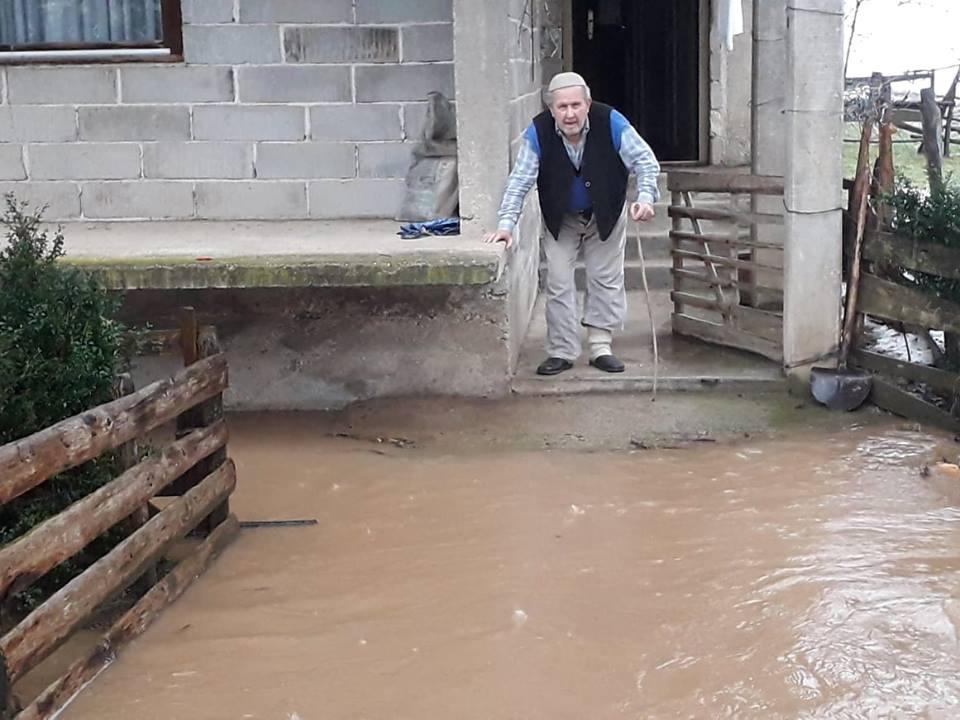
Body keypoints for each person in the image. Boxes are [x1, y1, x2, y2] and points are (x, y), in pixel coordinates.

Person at [484, 72, 660, 376]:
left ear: (587, 104)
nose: (569, 114)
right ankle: (562, 351)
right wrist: (506, 225)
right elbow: (519, 182)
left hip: (605, 210)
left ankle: (601, 346)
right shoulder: (538, 132)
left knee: (605, 277)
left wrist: (645, 198)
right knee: (559, 280)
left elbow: (645, 162)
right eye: (562, 107)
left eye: (575, 105)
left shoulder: (612, 122)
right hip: (561, 217)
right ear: (551, 109)